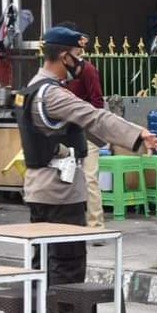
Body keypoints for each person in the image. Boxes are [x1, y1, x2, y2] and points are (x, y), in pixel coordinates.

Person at [15, 26, 157, 313]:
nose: (80, 62)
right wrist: (137, 134)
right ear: (63, 55)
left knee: (42, 267)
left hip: (40, 189)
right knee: (67, 267)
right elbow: (93, 116)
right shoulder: (52, 94)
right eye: (77, 56)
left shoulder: (32, 90)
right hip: (59, 192)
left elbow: (84, 126)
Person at [56, 21, 106, 244]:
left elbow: (97, 102)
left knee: (89, 178)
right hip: (65, 131)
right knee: (63, 178)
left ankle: (96, 226)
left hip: (85, 130)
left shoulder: (88, 70)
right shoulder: (58, 73)